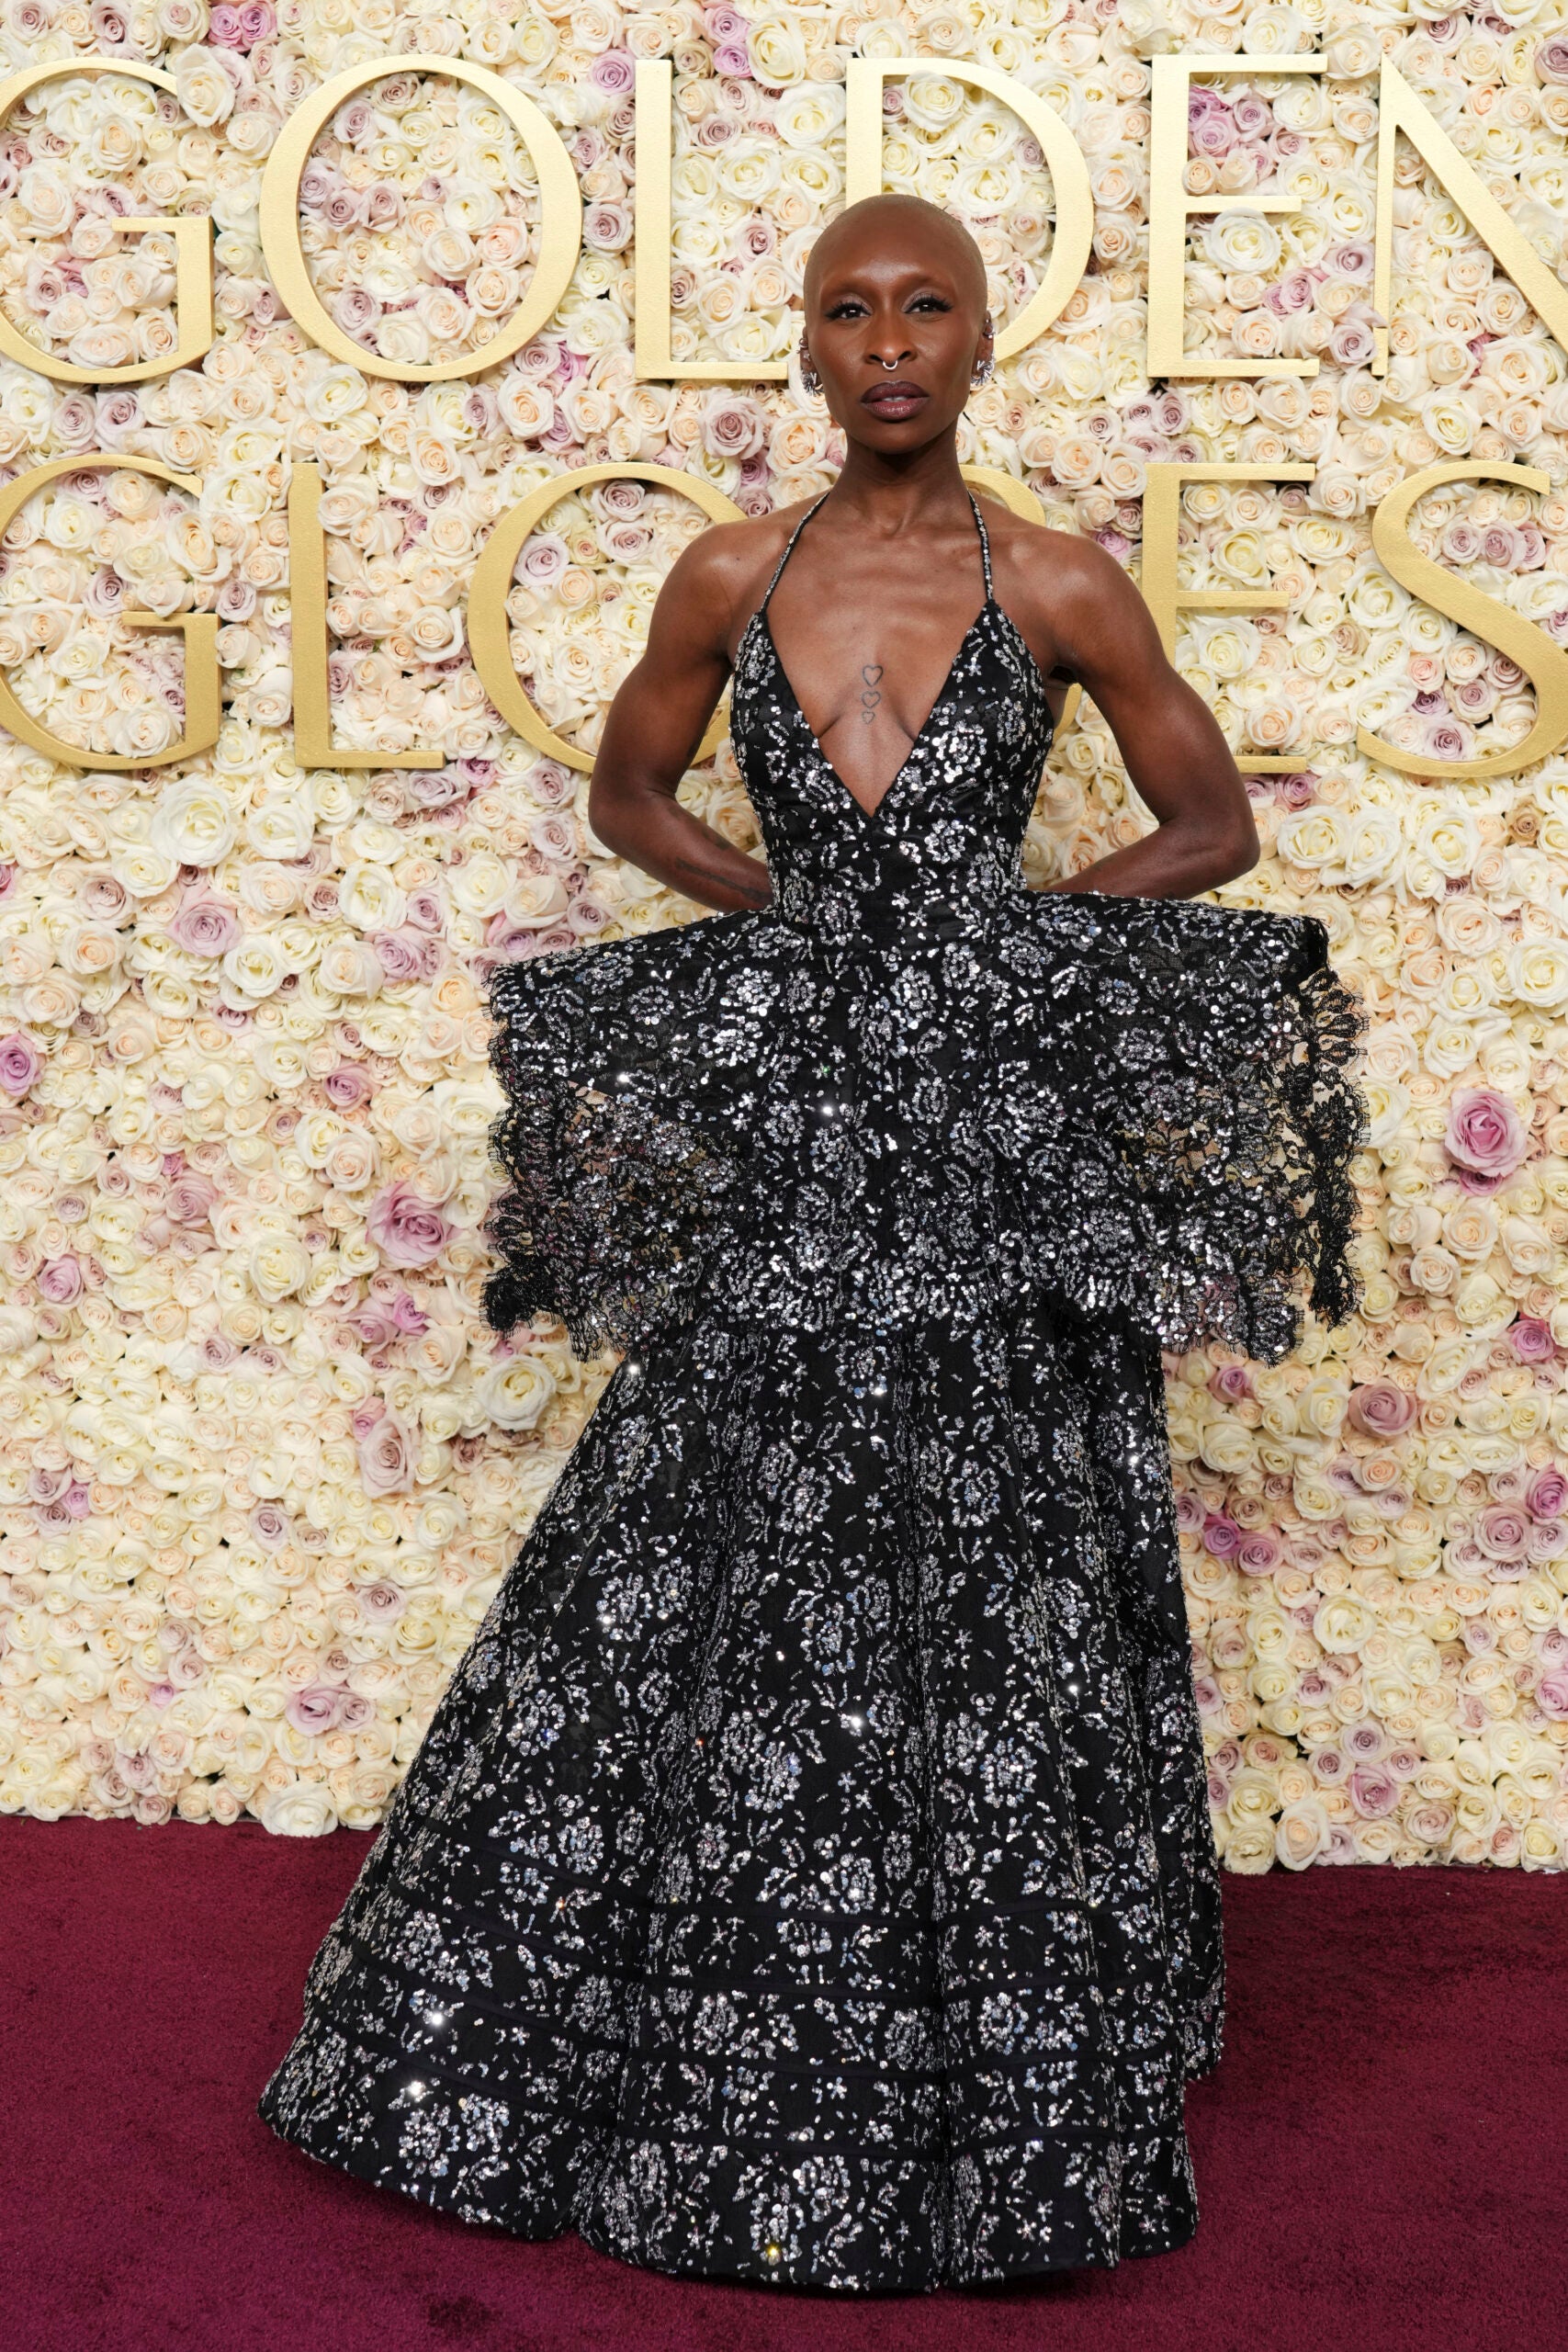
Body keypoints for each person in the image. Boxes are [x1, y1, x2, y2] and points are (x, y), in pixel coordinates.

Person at [258, 194, 1363, 2292]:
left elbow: (1210, 827)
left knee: (1008, 1540)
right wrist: (798, 938)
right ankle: (654, 2028)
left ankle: (1016, 2045)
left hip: (975, 1143)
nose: (884, 342)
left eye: (921, 305)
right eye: (845, 310)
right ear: (801, 346)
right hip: (800, 1133)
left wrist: (1002, 951)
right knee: (710, 1522)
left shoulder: (1051, 576)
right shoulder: (728, 571)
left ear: (973, 340)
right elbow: (628, 796)